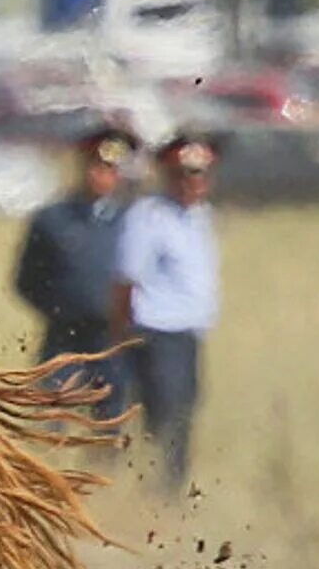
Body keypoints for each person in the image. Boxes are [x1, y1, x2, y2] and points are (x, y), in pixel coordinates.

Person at [110, 131, 221, 495]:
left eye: (201, 173)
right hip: (157, 334)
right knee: (165, 421)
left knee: (184, 416)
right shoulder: (148, 217)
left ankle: (172, 491)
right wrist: (123, 335)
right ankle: (159, 494)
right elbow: (126, 279)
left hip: (189, 334)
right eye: (185, 173)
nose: (195, 181)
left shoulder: (200, 217)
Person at [14, 125, 137, 415]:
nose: (102, 174)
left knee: (110, 414)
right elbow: (25, 279)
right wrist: (58, 309)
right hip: (63, 335)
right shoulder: (52, 219)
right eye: (96, 165)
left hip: (111, 337)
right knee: (53, 408)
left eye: (110, 168)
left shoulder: (132, 222)